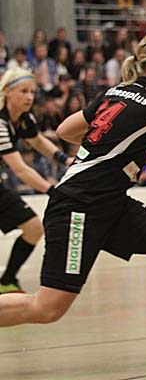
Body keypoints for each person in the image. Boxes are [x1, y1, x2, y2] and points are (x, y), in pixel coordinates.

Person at [0, 33, 146, 339]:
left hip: (109, 203)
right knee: (47, 307)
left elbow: (66, 130)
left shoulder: (117, 93)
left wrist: (102, 145)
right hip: (79, 208)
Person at [0, 68, 73, 294]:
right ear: (7, 92)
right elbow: (20, 169)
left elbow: (38, 141)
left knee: (33, 228)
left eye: (32, 92)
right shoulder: (0, 124)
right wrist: (52, 190)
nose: (29, 97)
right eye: (23, 91)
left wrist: (65, 159)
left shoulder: (24, 118)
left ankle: (6, 281)